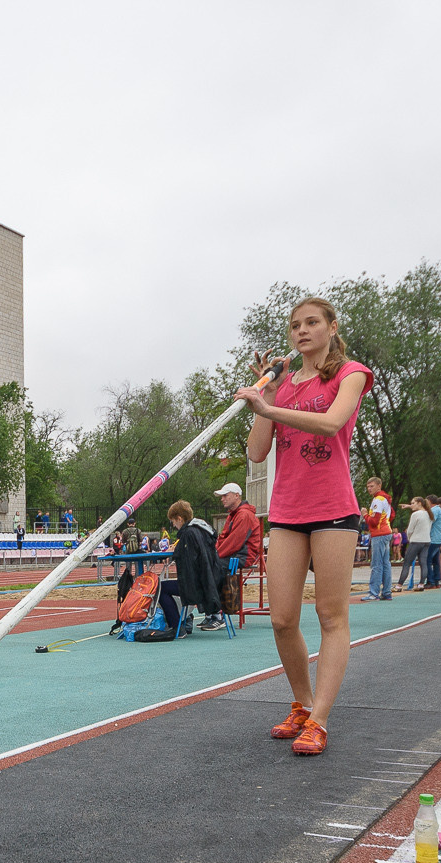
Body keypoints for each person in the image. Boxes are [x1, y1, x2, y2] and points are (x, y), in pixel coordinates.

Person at [233, 296, 373, 757]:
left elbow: (332, 424)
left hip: (333, 509)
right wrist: (267, 400)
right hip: (288, 512)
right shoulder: (284, 384)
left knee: (331, 616)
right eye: (295, 325)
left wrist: (270, 410)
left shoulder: (350, 373)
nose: (302, 331)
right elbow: (257, 453)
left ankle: (320, 720)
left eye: (312, 322)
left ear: (332, 327)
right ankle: (302, 702)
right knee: (281, 618)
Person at [168, 500, 224, 631]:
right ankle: (193, 619)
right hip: (210, 579)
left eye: (173, 522)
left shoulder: (188, 534)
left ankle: (176, 626)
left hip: (197, 585)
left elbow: (187, 564)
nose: (174, 525)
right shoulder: (202, 530)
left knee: (160, 589)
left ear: (179, 519)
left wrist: (175, 552)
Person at [211, 482, 262, 624]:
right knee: (211, 564)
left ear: (236, 496)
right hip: (236, 554)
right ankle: (213, 612)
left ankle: (217, 613)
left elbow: (234, 542)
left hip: (242, 556)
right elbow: (223, 538)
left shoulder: (243, 515)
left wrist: (214, 555)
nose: (222, 499)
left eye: (225, 495)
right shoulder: (234, 515)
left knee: (214, 566)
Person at [359, 476, 392, 601]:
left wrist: (365, 514)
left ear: (379, 486)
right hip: (386, 531)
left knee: (376, 564)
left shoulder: (378, 500)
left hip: (379, 533)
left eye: (371, 486)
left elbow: (374, 521)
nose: (369, 489)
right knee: (385, 563)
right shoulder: (385, 498)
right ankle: (387, 591)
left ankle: (374, 593)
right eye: (368, 487)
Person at [425, 496, 441, 587]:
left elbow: (429, 521)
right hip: (438, 538)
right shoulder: (439, 510)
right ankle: (436, 580)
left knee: (427, 560)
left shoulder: (434, 510)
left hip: (434, 539)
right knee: (436, 561)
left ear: (430, 501)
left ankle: (430, 581)